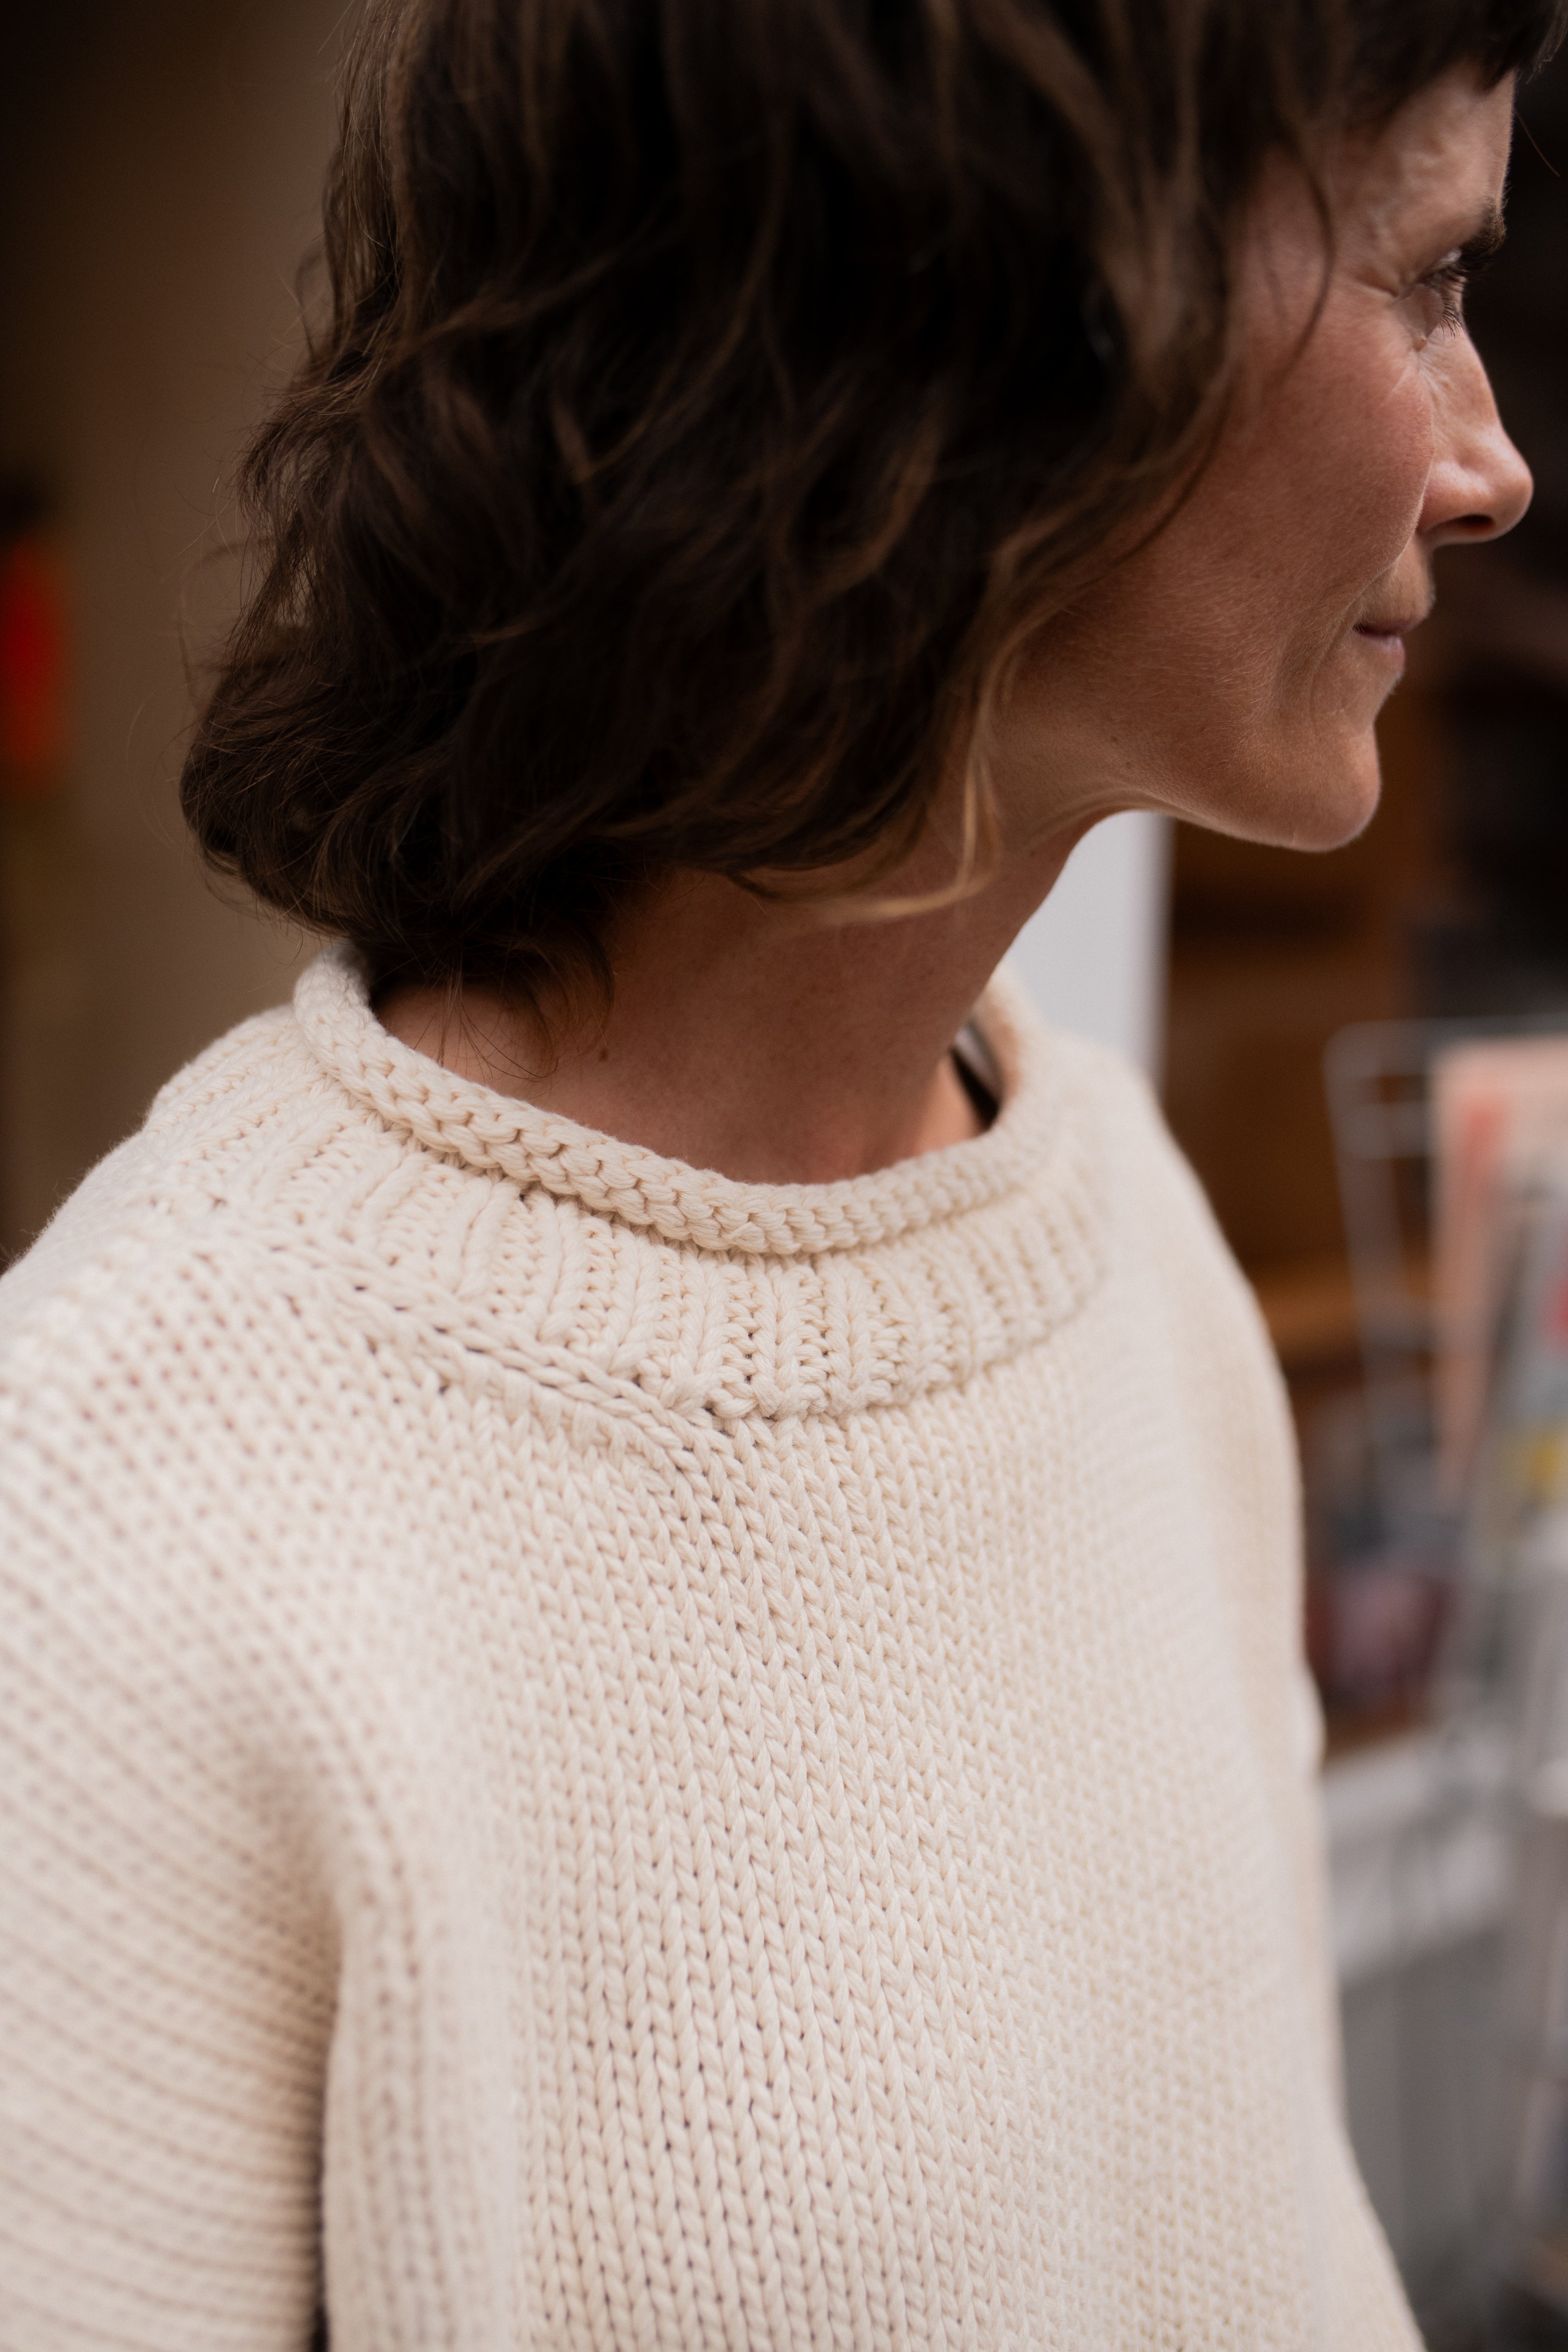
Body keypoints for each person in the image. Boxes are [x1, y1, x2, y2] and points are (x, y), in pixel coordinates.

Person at [0, 1, 1557, 2343]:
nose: (1490, 460)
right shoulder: (130, 1512)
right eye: (1430, 280)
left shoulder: (1117, 1238)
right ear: (1004, 301)